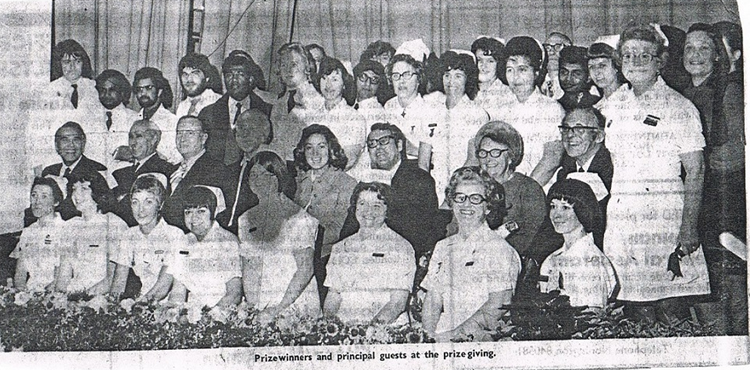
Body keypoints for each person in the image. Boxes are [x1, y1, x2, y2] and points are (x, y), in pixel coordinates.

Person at [598, 24, 710, 322]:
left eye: (644, 55)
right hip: (622, 218)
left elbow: (696, 171)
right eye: (628, 55)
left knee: (669, 306)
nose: (635, 61)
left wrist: (689, 227)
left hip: (663, 218)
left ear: (660, 61)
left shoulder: (679, 107)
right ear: (620, 62)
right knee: (633, 307)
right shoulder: (615, 104)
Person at [690, 21, 747, 335]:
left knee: (728, 271)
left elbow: (739, 148)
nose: (695, 55)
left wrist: (699, 161)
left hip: (722, 194)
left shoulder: (729, 89)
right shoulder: (681, 90)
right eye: (689, 48)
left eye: (704, 49)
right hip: (695, 194)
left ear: (717, 57)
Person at [421, 167, 521, 342]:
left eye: (475, 198)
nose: (466, 205)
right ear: (451, 203)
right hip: (441, 337)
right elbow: (432, 300)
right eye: (460, 197)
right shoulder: (443, 247)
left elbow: (498, 307)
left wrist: (453, 337)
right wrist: (428, 337)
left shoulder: (499, 248)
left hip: (478, 341)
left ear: (487, 206)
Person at [239, 151, 320, 322]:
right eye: (253, 175)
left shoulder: (299, 218)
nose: (258, 180)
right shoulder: (245, 219)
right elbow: (249, 267)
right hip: (262, 307)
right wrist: (253, 307)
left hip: (293, 306)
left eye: (266, 175)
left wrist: (278, 309)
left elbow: (305, 269)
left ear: (279, 178)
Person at [471, 121, 559, 280]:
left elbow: (532, 235)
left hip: (508, 265)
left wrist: (489, 253)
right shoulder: (472, 186)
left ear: (510, 156)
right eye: (483, 153)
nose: (488, 159)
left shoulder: (528, 188)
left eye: (495, 152)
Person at [324, 182, 416, 324]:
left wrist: (369, 331)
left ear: (387, 211)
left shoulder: (401, 247)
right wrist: (330, 325)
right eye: (362, 204)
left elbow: (397, 303)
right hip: (344, 328)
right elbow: (333, 295)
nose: (368, 211)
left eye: (376, 206)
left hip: (383, 328)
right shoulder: (340, 248)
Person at [293, 125, 357, 307]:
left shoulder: (346, 183)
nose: (315, 153)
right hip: (298, 255)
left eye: (321, 146)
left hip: (325, 258)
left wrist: (305, 245)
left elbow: (340, 229)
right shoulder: (299, 180)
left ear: (331, 150)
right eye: (309, 147)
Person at [496, 36, 565, 186]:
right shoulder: (501, 111)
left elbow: (552, 159)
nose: (515, 77)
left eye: (522, 69)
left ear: (536, 72)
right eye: (510, 70)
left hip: (537, 193)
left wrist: (524, 193)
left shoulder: (550, 109)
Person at [539, 179, 616, 308]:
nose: (556, 215)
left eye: (565, 208)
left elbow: (593, 317)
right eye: (553, 207)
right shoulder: (553, 258)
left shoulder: (589, 261)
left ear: (582, 211)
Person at [110, 173, 185, 302]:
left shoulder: (175, 235)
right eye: (135, 202)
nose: (141, 210)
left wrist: (137, 308)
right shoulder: (128, 236)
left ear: (160, 205)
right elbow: (118, 284)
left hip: (167, 305)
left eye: (148, 202)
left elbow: (163, 287)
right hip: (140, 302)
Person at [384, 52, 447, 198]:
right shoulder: (388, 106)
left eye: (406, 75)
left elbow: (427, 160)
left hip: (420, 176)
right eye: (396, 76)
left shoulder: (431, 109)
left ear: (418, 79)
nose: (401, 81)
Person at [168, 186, 243, 308]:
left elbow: (234, 294)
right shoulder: (183, 241)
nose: (193, 218)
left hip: (220, 313)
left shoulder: (227, 242)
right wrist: (174, 314)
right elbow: (178, 290)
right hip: (191, 314)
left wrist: (207, 317)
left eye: (201, 211)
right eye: (188, 212)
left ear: (213, 213)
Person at [55, 172, 129, 294]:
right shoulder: (70, 225)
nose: (77, 195)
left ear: (98, 192)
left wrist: (82, 299)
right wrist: (58, 299)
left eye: (84, 188)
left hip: (99, 298)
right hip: (73, 296)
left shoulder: (113, 224)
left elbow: (112, 279)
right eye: (74, 189)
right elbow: (64, 276)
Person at [25, 122, 109, 225]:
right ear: (57, 145)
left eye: (76, 140)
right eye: (64, 140)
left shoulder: (96, 170)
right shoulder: (49, 171)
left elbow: (103, 210)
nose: (71, 145)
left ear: (83, 144)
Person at [427, 50, 490, 185]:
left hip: (462, 186)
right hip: (433, 186)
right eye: (447, 75)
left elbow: (472, 160)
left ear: (468, 79)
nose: (451, 81)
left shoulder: (477, 114)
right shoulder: (432, 110)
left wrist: (452, 191)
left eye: (458, 76)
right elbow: (423, 160)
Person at [199, 51, 272, 165]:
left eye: (240, 74)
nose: (233, 80)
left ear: (251, 79)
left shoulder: (268, 111)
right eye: (229, 75)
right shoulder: (208, 114)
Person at [162, 116, 232, 231]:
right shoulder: (170, 170)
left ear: (203, 138)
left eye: (190, 133)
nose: (182, 139)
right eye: (179, 133)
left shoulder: (215, 169)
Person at [267, 42, 325, 161]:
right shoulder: (279, 103)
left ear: (307, 66)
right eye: (284, 65)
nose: (289, 70)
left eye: (294, 64)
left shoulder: (317, 100)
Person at [111, 120, 175, 226]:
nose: (133, 142)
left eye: (138, 136)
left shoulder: (165, 169)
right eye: (131, 137)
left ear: (154, 139)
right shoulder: (121, 172)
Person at [12, 177, 67, 291]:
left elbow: (61, 276)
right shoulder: (28, 231)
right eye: (34, 195)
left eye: (44, 196)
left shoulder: (65, 229)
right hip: (30, 293)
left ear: (56, 201)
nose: (37, 202)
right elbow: (20, 273)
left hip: (54, 294)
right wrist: (21, 293)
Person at [311, 56, 367, 168]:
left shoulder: (354, 118)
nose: (328, 85)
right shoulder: (312, 116)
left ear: (344, 84)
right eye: (324, 78)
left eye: (335, 79)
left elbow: (349, 159)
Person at [218, 109, 268, 234]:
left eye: (251, 130)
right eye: (241, 130)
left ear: (264, 135)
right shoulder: (231, 170)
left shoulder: (269, 170)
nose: (245, 135)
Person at [133, 67, 180, 164]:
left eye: (148, 88)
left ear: (159, 91)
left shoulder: (172, 121)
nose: (143, 93)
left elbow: (176, 158)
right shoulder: (132, 119)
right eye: (139, 89)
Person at [95, 69, 140, 166]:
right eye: (102, 90)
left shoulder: (135, 119)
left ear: (123, 92)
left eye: (112, 90)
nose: (106, 94)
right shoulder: (90, 118)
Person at [471, 37, 516, 121]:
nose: (483, 66)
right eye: (479, 60)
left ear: (499, 65)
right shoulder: (468, 90)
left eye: (490, 61)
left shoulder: (508, 95)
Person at [175, 53, 222, 118]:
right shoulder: (182, 106)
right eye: (185, 74)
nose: (189, 79)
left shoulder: (218, 102)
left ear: (207, 78)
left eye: (195, 73)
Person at [557, 46, 600, 111]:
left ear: (589, 77)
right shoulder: (555, 106)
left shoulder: (597, 105)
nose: (568, 79)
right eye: (564, 72)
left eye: (576, 74)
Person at [541, 32, 572, 99]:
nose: (551, 52)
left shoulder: (574, 82)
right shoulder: (537, 81)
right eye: (547, 47)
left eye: (558, 47)